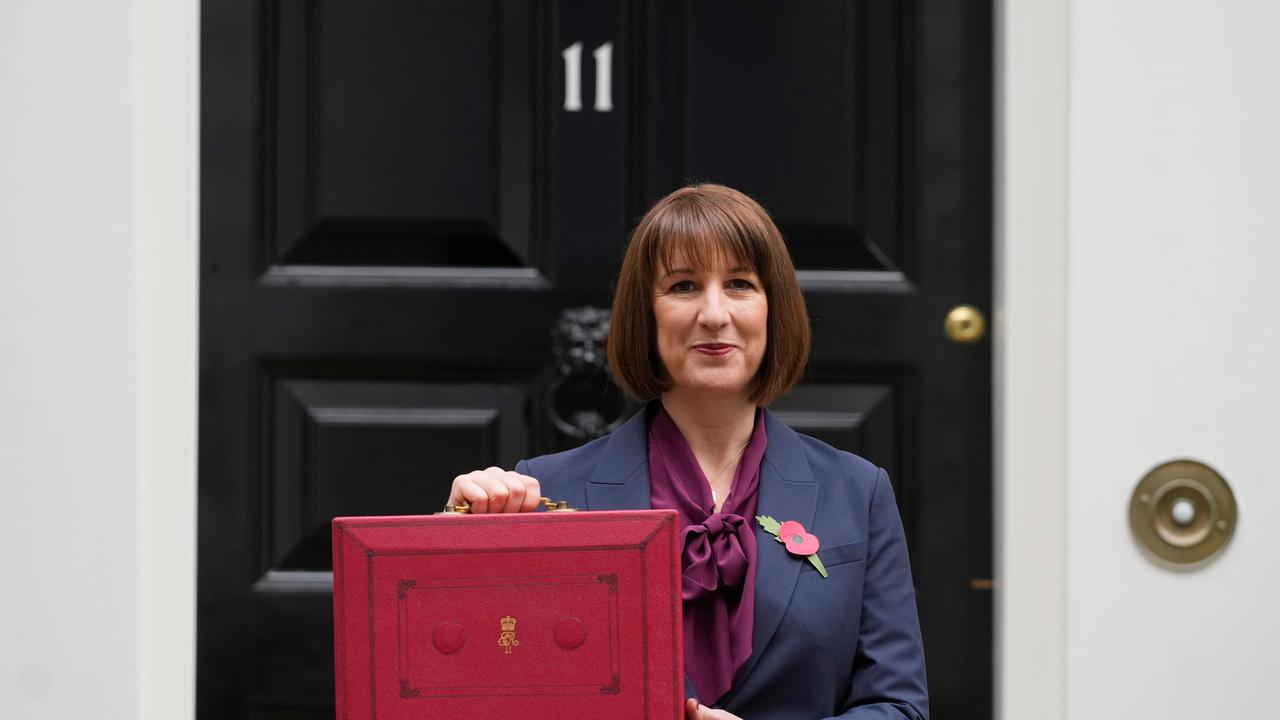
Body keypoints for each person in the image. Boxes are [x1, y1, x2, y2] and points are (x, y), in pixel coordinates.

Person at [447, 184, 928, 720]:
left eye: (741, 284)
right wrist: (459, 537)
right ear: (645, 316)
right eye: (683, 286)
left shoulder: (858, 492)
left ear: (775, 311)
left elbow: (898, 707)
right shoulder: (545, 493)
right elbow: (486, 691)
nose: (715, 313)